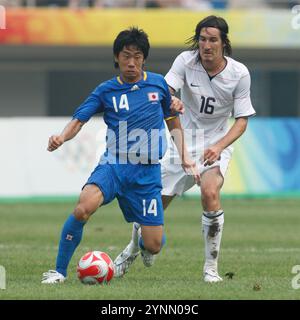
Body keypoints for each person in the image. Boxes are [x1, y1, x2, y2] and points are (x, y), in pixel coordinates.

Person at [41, 27, 199, 284]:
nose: (131, 62)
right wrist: (61, 137)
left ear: (144, 59)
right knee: (83, 208)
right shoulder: (105, 91)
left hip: (147, 173)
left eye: (137, 56)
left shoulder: (158, 84)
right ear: (117, 58)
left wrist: (185, 157)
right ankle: (59, 272)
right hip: (114, 164)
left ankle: (143, 236)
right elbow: (79, 119)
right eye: (126, 56)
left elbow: (173, 122)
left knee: (155, 244)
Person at [114, 15, 256, 283]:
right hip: (182, 141)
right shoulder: (185, 61)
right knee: (152, 209)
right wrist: (171, 100)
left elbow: (241, 122)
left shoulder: (239, 74)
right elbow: (165, 92)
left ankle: (210, 269)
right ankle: (134, 249)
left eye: (213, 40)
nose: (207, 45)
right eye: (202, 39)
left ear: (223, 42)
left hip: (216, 144)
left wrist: (218, 146)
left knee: (210, 192)